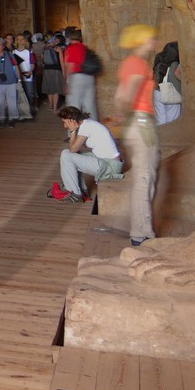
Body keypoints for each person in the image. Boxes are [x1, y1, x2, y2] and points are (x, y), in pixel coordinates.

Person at [115, 25, 161, 247]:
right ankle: (142, 234)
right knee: (144, 178)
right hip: (141, 122)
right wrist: (129, 116)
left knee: (144, 177)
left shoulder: (128, 64)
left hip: (136, 123)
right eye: (151, 39)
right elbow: (125, 97)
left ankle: (141, 231)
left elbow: (118, 98)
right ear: (141, 41)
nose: (154, 42)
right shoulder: (137, 64)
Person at [57, 105, 121, 205]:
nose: (64, 126)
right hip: (106, 162)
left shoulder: (86, 127)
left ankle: (75, 194)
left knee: (67, 155)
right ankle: (81, 189)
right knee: (67, 154)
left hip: (109, 166)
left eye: (65, 122)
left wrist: (73, 131)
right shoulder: (87, 124)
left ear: (72, 120)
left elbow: (73, 149)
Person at [0, 36, 30, 126]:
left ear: (3, 46)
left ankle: (12, 119)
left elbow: (16, 67)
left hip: (11, 82)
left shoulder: (10, 55)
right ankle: (1, 119)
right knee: (0, 102)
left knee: (12, 101)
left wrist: (19, 79)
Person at [63, 29, 97, 119]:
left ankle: (74, 131)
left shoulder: (71, 48)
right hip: (89, 77)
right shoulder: (85, 47)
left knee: (73, 106)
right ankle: (92, 130)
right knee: (89, 106)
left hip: (76, 77)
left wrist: (66, 83)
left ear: (69, 38)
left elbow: (70, 66)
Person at [152, 40, 183, 126]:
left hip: (157, 92)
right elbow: (176, 73)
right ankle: (170, 138)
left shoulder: (158, 62)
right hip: (171, 94)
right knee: (172, 120)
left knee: (160, 120)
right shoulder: (175, 64)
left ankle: (161, 137)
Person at [40, 32, 66, 111]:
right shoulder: (58, 48)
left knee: (49, 89)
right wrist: (64, 72)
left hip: (47, 69)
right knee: (56, 89)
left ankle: (50, 105)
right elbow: (61, 61)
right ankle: (55, 108)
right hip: (56, 70)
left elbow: (42, 59)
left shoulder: (45, 47)